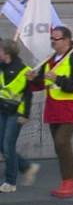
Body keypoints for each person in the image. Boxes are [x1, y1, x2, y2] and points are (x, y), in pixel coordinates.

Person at [27, 26, 73, 198]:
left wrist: (58, 79)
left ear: (67, 40)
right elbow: (42, 82)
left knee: (62, 142)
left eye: (56, 38)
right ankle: (67, 180)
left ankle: (71, 182)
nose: (53, 41)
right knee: (59, 147)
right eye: (51, 38)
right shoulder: (50, 59)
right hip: (53, 108)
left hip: (70, 107)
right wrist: (33, 79)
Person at [0, 40, 39, 193]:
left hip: (16, 112)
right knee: (1, 144)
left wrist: (25, 114)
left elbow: (28, 95)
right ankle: (27, 167)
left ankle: (10, 182)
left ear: (7, 53)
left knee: (8, 145)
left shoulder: (24, 71)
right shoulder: (2, 67)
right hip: (2, 109)